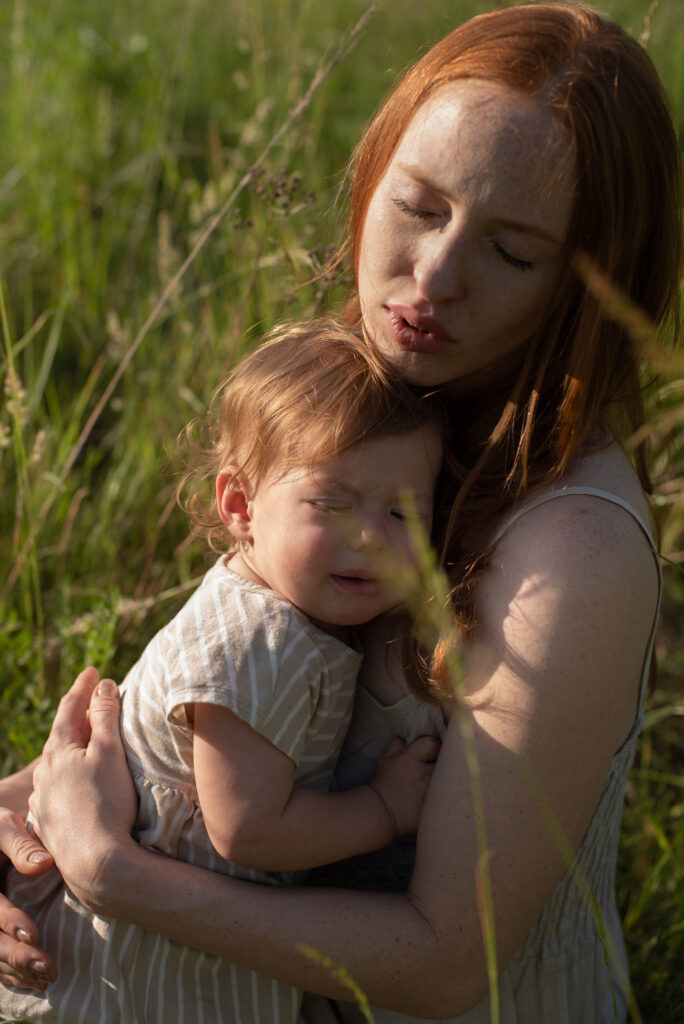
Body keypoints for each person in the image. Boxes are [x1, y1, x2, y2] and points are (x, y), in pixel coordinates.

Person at [0, 3, 680, 1022]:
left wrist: (111, 872)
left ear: (588, 286)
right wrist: (27, 823)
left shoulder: (568, 550)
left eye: (514, 250)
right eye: (418, 204)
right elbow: (216, 689)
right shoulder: (356, 417)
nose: (434, 277)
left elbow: (451, 961)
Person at [0, 318, 443, 1023]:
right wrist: (383, 810)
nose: (371, 536)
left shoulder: (259, 606)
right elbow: (248, 830)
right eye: (333, 503)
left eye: (402, 512)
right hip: (141, 981)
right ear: (239, 505)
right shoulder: (265, 640)